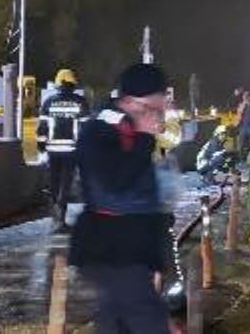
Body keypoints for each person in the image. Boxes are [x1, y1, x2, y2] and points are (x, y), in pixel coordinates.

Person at [70, 63, 174, 334]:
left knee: (115, 322)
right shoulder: (100, 130)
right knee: (147, 321)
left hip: (130, 252)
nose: (157, 115)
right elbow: (113, 186)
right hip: (112, 251)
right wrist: (143, 137)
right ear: (130, 101)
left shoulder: (127, 128)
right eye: (152, 107)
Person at [37, 68, 90, 230]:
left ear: (58, 84)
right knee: (65, 184)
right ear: (73, 84)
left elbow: (42, 129)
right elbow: (85, 129)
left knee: (54, 182)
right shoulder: (80, 102)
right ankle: (61, 220)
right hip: (71, 151)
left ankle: (56, 218)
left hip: (53, 151)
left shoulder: (48, 102)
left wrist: (41, 148)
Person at [235, 89, 250, 158]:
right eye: (244, 96)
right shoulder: (241, 105)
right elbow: (238, 116)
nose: (245, 97)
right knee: (241, 146)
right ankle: (241, 159)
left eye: (247, 96)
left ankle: (246, 159)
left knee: (249, 146)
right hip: (243, 129)